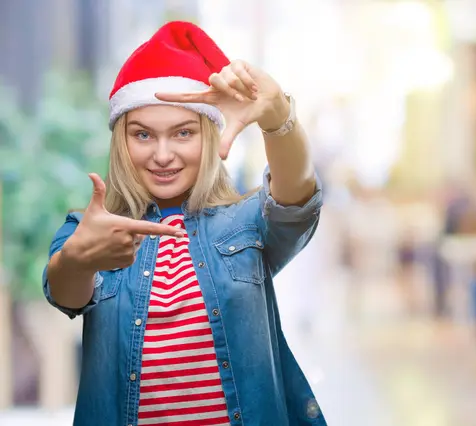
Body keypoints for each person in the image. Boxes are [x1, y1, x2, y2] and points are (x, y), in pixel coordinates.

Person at [42, 21, 325, 426]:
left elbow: (297, 196)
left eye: (182, 133)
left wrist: (278, 117)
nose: (162, 154)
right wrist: (79, 259)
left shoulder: (246, 225)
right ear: (121, 142)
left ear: (207, 137)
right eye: (142, 135)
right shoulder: (93, 229)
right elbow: (65, 291)